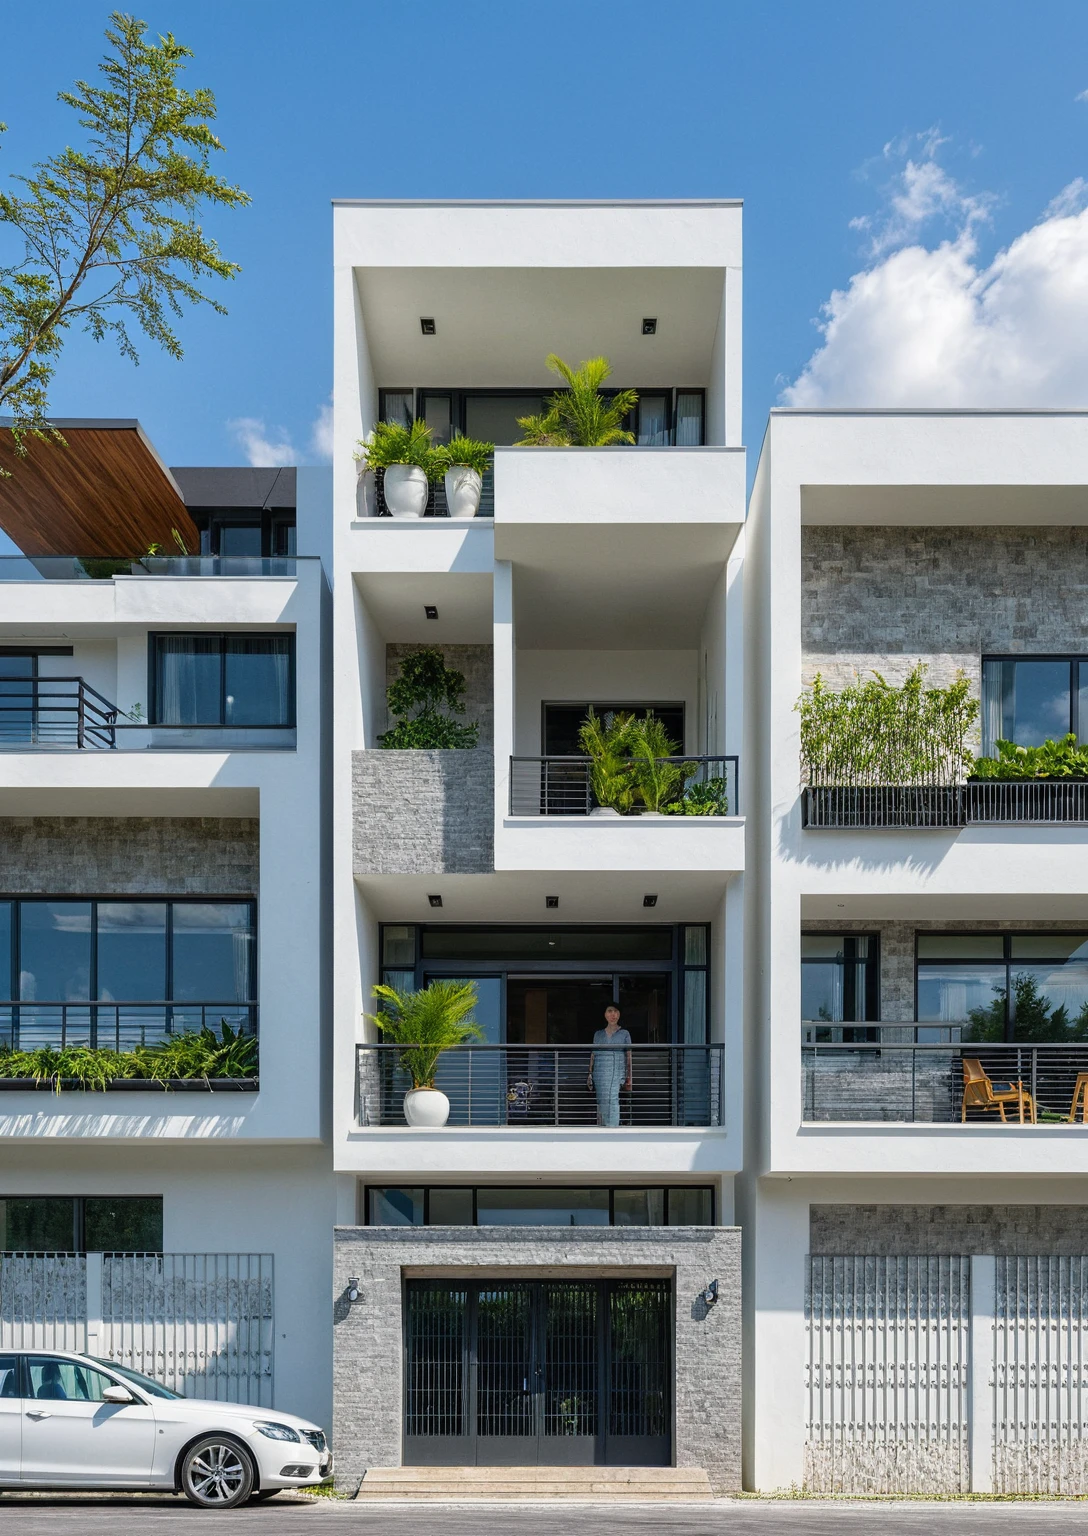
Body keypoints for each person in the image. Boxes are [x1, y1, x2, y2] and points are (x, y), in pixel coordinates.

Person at [587, 1004, 632, 1127]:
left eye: (616, 1011)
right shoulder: (598, 1034)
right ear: (605, 1014)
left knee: (612, 1099)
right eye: (610, 1011)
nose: (613, 1014)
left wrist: (629, 1077)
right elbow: (593, 1055)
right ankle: (602, 1128)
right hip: (600, 1072)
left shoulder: (624, 1034)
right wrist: (589, 1074)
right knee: (601, 1100)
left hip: (616, 1072)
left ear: (619, 1014)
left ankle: (612, 1129)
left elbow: (628, 1056)